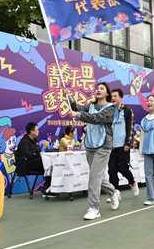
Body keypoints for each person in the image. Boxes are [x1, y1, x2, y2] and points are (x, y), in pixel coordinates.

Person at [64, 83, 120, 220]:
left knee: (94, 176)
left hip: (104, 145)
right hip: (90, 145)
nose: (98, 90)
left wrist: (77, 115)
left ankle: (94, 208)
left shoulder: (111, 108)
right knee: (97, 177)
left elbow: (97, 118)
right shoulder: (90, 106)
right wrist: (70, 96)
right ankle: (113, 193)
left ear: (107, 93)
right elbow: (76, 108)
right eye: (97, 88)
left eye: (102, 89)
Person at [107, 88, 139, 202]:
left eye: (115, 96)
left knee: (123, 168)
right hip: (111, 146)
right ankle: (115, 193)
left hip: (123, 146)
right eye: (112, 96)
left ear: (121, 97)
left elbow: (130, 127)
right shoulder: (109, 111)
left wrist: (128, 143)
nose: (113, 98)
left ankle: (132, 182)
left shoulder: (127, 110)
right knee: (112, 170)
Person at [15, 122, 57, 198]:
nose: (38, 131)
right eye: (37, 130)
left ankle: (49, 189)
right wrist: (38, 155)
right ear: (32, 131)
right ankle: (48, 190)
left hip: (36, 162)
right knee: (46, 162)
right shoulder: (24, 142)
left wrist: (41, 154)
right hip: (26, 165)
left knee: (50, 162)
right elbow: (27, 155)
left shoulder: (36, 141)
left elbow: (38, 152)